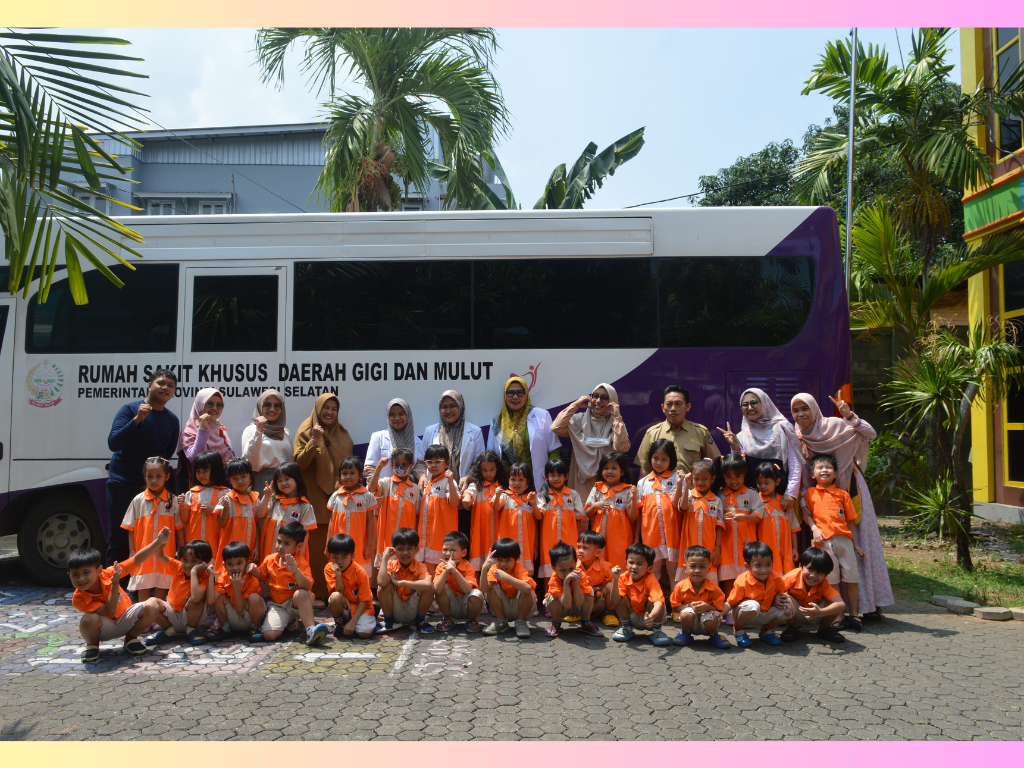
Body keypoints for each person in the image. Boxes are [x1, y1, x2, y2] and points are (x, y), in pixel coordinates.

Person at [791, 392, 892, 624]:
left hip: (849, 489)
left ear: (814, 409)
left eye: (805, 408)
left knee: (859, 546)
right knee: (830, 561)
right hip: (818, 500)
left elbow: (870, 434)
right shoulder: (798, 435)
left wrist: (850, 417)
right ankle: (835, 610)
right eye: (796, 410)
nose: (801, 414)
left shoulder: (836, 425)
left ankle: (866, 605)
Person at [105, 368, 180, 566]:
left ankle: (142, 582)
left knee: (150, 538)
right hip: (123, 485)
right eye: (160, 383)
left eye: (170, 386)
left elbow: (165, 456)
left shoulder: (172, 420)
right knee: (120, 540)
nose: (165, 388)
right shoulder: (130, 410)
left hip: (152, 489)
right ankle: (115, 583)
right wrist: (137, 420)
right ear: (149, 385)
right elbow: (114, 443)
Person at [68, 527, 172, 663]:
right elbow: (109, 611)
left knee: (152, 605)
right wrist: (115, 584)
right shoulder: (78, 598)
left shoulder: (108, 573)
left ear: (99, 571)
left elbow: (136, 560)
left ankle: (131, 639)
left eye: (86, 573)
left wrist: (158, 542)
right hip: (105, 628)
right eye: (75, 575)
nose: (81, 579)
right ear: (69, 576)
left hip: (126, 620)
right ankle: (92, 645)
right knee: (88, 620)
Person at [294, 393, 354, 599]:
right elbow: (299, 464)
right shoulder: (306, 430)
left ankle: (342, 592)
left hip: (341, 502)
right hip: (317, 501)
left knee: (341, 548)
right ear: (318, 409)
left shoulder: (342, 434)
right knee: (318, 550)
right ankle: (319, 593)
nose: (329, 412)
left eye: (334, 409)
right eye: (325, 408)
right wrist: (314, 440)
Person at [801, 453, 866, 630]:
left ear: (836, 473)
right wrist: (814, 529)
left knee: (852, 578)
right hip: (823, 542)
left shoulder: (843, 494)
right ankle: (838, 614)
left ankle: (854, 613)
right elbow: (806, 514)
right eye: (820, 467)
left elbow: (850, 521)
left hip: (844, 540)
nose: (825, 470)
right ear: (812, 474)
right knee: (832, 579)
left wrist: (855, 544)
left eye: (829, 467)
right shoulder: (810, 493)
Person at [717, 388, 801, 512]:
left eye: (754, 403)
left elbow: (795, 463)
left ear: (764, 403)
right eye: (745, 405)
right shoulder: (741, 436)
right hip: (752, 500)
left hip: (780, 496)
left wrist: (791, 493)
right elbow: (740, 466)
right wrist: (735, 446)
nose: (750, 408)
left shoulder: (782, 429)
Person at [551, 383, 630, 511]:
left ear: (612, 401)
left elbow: (621, 448)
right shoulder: (579, 420)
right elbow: (556, 427)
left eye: (604, 398)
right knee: (580, 514)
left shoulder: (615, 423)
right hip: (581, 479)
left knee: (602, 516)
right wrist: (575, 405)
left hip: (606, 480)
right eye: (595, 396)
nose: (598, 401)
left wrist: (617, 416)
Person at [255, 521, 328, 645]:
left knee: (301, 594)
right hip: (278, 605)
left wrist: (295, 571)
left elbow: (307, 586)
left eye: (286, 543)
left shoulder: (301, 563)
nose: (280, 546)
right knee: (269, 635)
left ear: (299, 546)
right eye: (279, 541)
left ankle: (310, 630)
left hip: (297, 604)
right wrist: (252, 570)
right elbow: (260, 577)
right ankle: (290, 622)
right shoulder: (269, 560)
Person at [121, 456, 181, 601]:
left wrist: (182, 548)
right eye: (150, 476)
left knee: (162, 583)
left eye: (158, 476)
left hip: (165, 552)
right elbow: (130, 527)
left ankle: (159, 612)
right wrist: (132, 550)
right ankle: (144, 612)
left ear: (167, 476)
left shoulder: (173, 500)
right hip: (143, 552)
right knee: (143, 583)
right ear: (144, 477)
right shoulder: (138, 500)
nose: (154, 480)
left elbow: (179, 527)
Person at [487, 377, 561, 492]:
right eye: (510, 393)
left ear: (526, 394)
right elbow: (491, 457)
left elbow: (553, 450)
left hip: (536, 483)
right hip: (508, 486)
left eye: (520, 392)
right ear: (505, 395)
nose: (515, 397)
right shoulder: (497, 422)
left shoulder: (542, 415)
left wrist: (555, 479)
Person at [634, 385, 721, 476]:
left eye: (678, 404)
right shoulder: (652, 433)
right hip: (660, 486)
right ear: (663, 408)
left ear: (688, 406)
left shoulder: (701, 432)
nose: (673, 409)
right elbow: (645, 469)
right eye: (669, 404)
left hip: (690, 485)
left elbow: (714, 465)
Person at [144, 538, 214, 647]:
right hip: (171, 615)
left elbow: (196, 598)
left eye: (194, 561)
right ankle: (168, 631)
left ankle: (191, 631)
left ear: (205, 562)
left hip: (191, 618)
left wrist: (194, 573)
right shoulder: (177, 566)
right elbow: (158, 555)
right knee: (151, 602)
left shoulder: (205, 576)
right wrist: (160, 542)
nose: (188, 565)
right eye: (185, 560)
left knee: (196, 602)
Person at [636, 440, 685, 589]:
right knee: (652, 570)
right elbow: (640, 513)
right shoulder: (643, 483)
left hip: (673, 536)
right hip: (651, 536)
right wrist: (636, 537)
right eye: (655, 458)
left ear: (671, 460)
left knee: (674, 570)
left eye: (664, 459)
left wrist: (680, 484)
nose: (659, 462)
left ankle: (676, 602)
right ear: (650, 457)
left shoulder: (677, 479)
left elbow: (681, 506)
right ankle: (655, 601)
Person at [727, 541, 794, 648]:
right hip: (744, 614)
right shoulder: (742, 581)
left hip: (765, 612)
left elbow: (782, 593)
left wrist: (789, 602)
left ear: (772, 563)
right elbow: (730, 603)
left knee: (788, 610)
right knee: (753, 605)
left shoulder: (776, 578)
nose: (764, 570)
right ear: (747, 566)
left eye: (768, 565)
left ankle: (766, 631)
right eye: (758, 565)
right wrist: (718, 614)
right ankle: (738, 629)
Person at [717, 453, 765, 599]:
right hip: (726, 545)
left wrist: (745, 517)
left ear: (745, 473)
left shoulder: (751, 493)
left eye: (737, 476)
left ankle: (748, 603)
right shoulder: (719, 494)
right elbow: (714, 519)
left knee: (748, 576)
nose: (733, 481)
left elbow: (758, 517)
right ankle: (730, 605)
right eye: (728, 476)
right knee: (728, 576)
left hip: (746, 543)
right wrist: (722, 519)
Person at [669, 545, 732, 649]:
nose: (697, 570)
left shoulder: (714, 588)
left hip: (708, 623)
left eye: (702, 567)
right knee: (687, 613)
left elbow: (719, 609)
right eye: (693, 566)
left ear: (709, 569)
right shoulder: (680, 587)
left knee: (712, 616)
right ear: (685, 568)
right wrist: (689, 605)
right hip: (690, 623)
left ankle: (714, 636)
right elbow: (675, 608)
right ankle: (685, 634)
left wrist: (708, 607)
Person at [674, 458, 724, 587]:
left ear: (712, 479)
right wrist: (687, 485)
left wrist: (717, 549)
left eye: (704, 479)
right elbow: (683, 507)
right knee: (687, 580)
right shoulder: (689, 495)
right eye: (696, 479)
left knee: (710, 581)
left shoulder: (716, 501)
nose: (700, 482)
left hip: (709, 548)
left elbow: (719, 526)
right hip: (689, 546)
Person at [781, 547, 848, 644]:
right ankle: (792, 627)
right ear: (801, 566)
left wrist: (820, 612)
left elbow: (841, 604)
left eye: (819, 572)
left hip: (817, 613)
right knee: (783, 597)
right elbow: (775, 593)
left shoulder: (824, 584)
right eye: (810, 569)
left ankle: (824, 629)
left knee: (834, 603)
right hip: (795, 614)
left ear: (825, 575)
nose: (813, 575)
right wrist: (786, 598)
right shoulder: (791, 577)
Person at [584, 452, 638, 571]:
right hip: (599, 537)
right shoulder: (597, 488)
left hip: (621, 538)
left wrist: (634, 499)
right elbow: (588, 513)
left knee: (619, 565)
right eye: (606, 468)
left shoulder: (627, 490)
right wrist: (595, 506)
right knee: (600, 564)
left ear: (622, 472)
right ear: (601, 471)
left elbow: (633, 517)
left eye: (614, 468)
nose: (609, 471)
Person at [176, 450, 229, 571]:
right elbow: (185, 520)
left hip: (216, 545)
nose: (201, 475)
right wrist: (181, 505)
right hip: (194, 545)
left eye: (205, 471)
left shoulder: (224, 493)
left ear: (215, 470)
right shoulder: (191, 493)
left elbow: (226, 521)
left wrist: (214, 510)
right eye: (198, 471)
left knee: (213, 573)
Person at [609, 542, 669, 646]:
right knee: (621, 598)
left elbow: (658, 603)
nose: (634, 567)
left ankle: (657, 631)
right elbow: (614, 601)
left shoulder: (651, 580)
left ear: (649, 568)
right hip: (633, 617)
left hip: (651, 619)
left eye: (639, 564)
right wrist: (615, 580)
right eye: (631, 562)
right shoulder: (623, 577)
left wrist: (651, 617)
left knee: (658, 602)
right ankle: (626, 628)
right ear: (626, 563)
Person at [376, 527, 435, 633]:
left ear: (416, 549)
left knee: (429, 587)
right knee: (383, 587)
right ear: (394, 550)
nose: (405, 553)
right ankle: (389, 622)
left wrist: (402, 583)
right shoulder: (390, 564)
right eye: (400, 549)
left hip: (413, 610)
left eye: (409, 548)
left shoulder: (420, 566)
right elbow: (381, 582)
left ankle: (419, 622)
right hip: (396, 610)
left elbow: (427, 585)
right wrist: (385, 558)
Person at [326, 456, 377, 577]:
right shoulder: (335, 497)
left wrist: (369, 545)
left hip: (360, 545)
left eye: (352, 473)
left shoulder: (367, 496)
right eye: (344, 473)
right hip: (338, 546)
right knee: (339, 574)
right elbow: (332, 521)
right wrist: (328, 544)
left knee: (361, 575)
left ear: (360, 476)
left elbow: (371, 521)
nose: (348, 476)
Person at [255, 462, 317, 563]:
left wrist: (300, 555)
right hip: (269, 548)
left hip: (290, 555)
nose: (283, 483)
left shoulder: (304, 506)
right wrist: (266, 497)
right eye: (279, 480)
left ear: (297, 479)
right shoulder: (274, 500)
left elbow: (305, 533)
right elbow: (259, 514)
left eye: (287, 479)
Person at [421, 390, 486, 485]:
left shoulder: (475, 431)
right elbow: (420, 462)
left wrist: (468, 477)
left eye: (452, 406)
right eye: (444, 407)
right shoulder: (430, 431)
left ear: (460, 406)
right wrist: (422, 476)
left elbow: (479, 462)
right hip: (436, 488)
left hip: (464, 488)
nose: (448, 411)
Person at [205, 541, 265, 643]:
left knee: (254, 597)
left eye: (239, 563)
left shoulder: (251, 579)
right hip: (233, 618)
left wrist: (237, 588)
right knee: (218, 597)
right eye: (230, 564)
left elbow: (240, 609)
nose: (235, 568)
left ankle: (255, 628)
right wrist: (211, 577)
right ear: (224, 565)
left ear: (247, 563)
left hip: (249, 617)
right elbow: (211, 601)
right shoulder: (222, 579)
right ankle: (224, 627)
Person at [369, 448, 421, 567]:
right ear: (392, 465)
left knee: (404, 566)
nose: (400, 467)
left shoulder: (415, 488)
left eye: (404, 465)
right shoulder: (387, 483)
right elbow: (372, 489)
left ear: (411, 465)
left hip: (407, 539)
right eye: (397, 464)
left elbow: (417, 514)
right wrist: (379, 467)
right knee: (387, 566)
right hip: (387, 537)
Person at [536, 459, 586, 580]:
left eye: (559, 475)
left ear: (566, 476)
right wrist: (533, 503)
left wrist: (579, 541)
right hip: (548, 539)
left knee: (570, 569)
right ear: (546, 476)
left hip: (570, 539)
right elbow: (538, 516)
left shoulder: (573, 495)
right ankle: (549, 592)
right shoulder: (543, 495)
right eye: (552, 475)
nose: (556, 478)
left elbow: (579, 518)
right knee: (548, 570)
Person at [543, 542, 604, 638]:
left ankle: (586, 623)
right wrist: (566, 584)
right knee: (552, 597)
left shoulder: (580, 576)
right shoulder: (554, 580)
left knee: (589, 593)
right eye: (562, 570)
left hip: (577, 607)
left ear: (576, 564)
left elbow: (579, 603)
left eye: (571, 568)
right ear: (554, 568)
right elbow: (566, 605)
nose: (568, 573)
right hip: (562, 608)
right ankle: (556, 624)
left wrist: (576, 583)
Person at [481, 538, 537, 638]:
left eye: (508, 560)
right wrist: (484, 568)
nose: (503, 564)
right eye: (499, 560)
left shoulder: (519, 569)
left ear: (516, 559)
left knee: (526, 588)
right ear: (494, 559)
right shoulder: (493, 569)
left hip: (521, 609)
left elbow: (527, 589)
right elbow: (484, 590)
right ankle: (501, 621)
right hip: (503, 608)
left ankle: (521, 622)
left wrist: (506, 577)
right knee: (491, 588)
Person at [462, 451, 509, 572]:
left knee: (498, 560)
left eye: (492, 470)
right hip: (480, 530)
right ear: (479, 470)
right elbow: (469, 492)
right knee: (478, 561)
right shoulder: (477, 486)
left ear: (497, 468)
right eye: (485, 470)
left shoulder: (503, 486)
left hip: (498, 529)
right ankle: (477, 583)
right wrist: (467, 498)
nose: (488, 473)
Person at [325, 533, 377, 640]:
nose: (339, 561)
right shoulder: (329, 568)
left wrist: (353, 622)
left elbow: (364, 601)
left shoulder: (360, 572)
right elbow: (338, 593)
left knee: (364, 634)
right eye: (335, 557)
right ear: (329, 555)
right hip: (344, 606)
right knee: (334, 597)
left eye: (344, 557)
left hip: (361, 608)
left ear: (352, 556)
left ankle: (371, 614)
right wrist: (338, 575)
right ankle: (339, 624)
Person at [177, 388, 234, 486]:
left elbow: (230, 458)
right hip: (200, 485)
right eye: (210, 404)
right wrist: (202, 429)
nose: (215, 408)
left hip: (222, 483)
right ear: (200, 404)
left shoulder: (220, 428)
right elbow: (195, 458)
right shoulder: (190, 429)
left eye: (219, 405)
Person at [240, 389, 292, 492]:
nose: (272, 409)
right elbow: (249, 462)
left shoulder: (286, 432)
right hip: (260, 481)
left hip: (284, 481)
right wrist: (258, 431)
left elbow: (290, 460)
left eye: (277, 406)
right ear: (260, 406)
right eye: (267, 405)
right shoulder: (251, 430)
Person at [417, 445, 461, 566]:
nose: (433, 465)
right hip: (426, 538)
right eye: (429, 462)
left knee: (441, 569)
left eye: (437, 461)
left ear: (447, 463)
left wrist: (451, 482)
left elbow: (455, 503)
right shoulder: (427, 483)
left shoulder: (448, 481)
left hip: (440, 538)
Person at [432, 531, 484, 633]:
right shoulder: (441, 566)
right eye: (445, 550)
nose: (448, 553)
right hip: (451, 605)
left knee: (477, 594)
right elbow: (437, 590)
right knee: (439, 587)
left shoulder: (468, 566)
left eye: (453, 550)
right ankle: (447, 618)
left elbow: (467, 590)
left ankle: (471, 620)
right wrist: (446, 570)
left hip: (466, 604)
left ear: (463, 553)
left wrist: (455, 571)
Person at [493, 462, 540, 575]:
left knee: (526, 575)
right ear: (508, 480)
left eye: (521, 480)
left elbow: (538, 517)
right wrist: (497, 496)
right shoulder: (504, 496)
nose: (516, 483)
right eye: (513, 479)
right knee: (506, 572)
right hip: (507, 547)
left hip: (526, 547)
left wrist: (536, 547)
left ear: (528, 481)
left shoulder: (532, 497)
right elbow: (495, 507)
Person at [365, 398, 425, 482]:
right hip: (382, 489)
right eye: (392, 415)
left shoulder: (418, 442)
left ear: (408, 415)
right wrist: (381, 486)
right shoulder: (378, 437)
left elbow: (419, 468)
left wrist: (407, 480)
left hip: (407, 489)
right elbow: (369, 468)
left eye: (401, 414)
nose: (397, 418)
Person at [754, 462, 799, 575]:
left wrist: (795, 548)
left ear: (777, 482)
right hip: (765, 549)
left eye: (766, 483)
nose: (762, 486)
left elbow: (793, 527)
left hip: (786, 549)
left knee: (787, 575)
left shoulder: (785, 502)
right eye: (759, 483)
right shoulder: (756, 502)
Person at [215, 459, 259, 561]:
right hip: (231, 552)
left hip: (250, 548)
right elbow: (220, 524)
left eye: (243, 477)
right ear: (229, 480)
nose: (240, 481)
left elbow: (257, 524)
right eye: (235, 478)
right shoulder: (226, 499)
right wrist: (226, 509)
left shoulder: (255, 499)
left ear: (251, 476)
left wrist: (257, 547)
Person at [576, 530, 615, 626]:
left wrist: (596, 589)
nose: (580, 550)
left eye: (585, 548)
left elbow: (609, 585)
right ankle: (575, 612)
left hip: (598, 600)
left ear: (597, 552)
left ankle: (609, 613)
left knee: (612, 586)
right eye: (578, 547)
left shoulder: (605, 566)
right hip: (580, 601)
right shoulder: (573, 565)